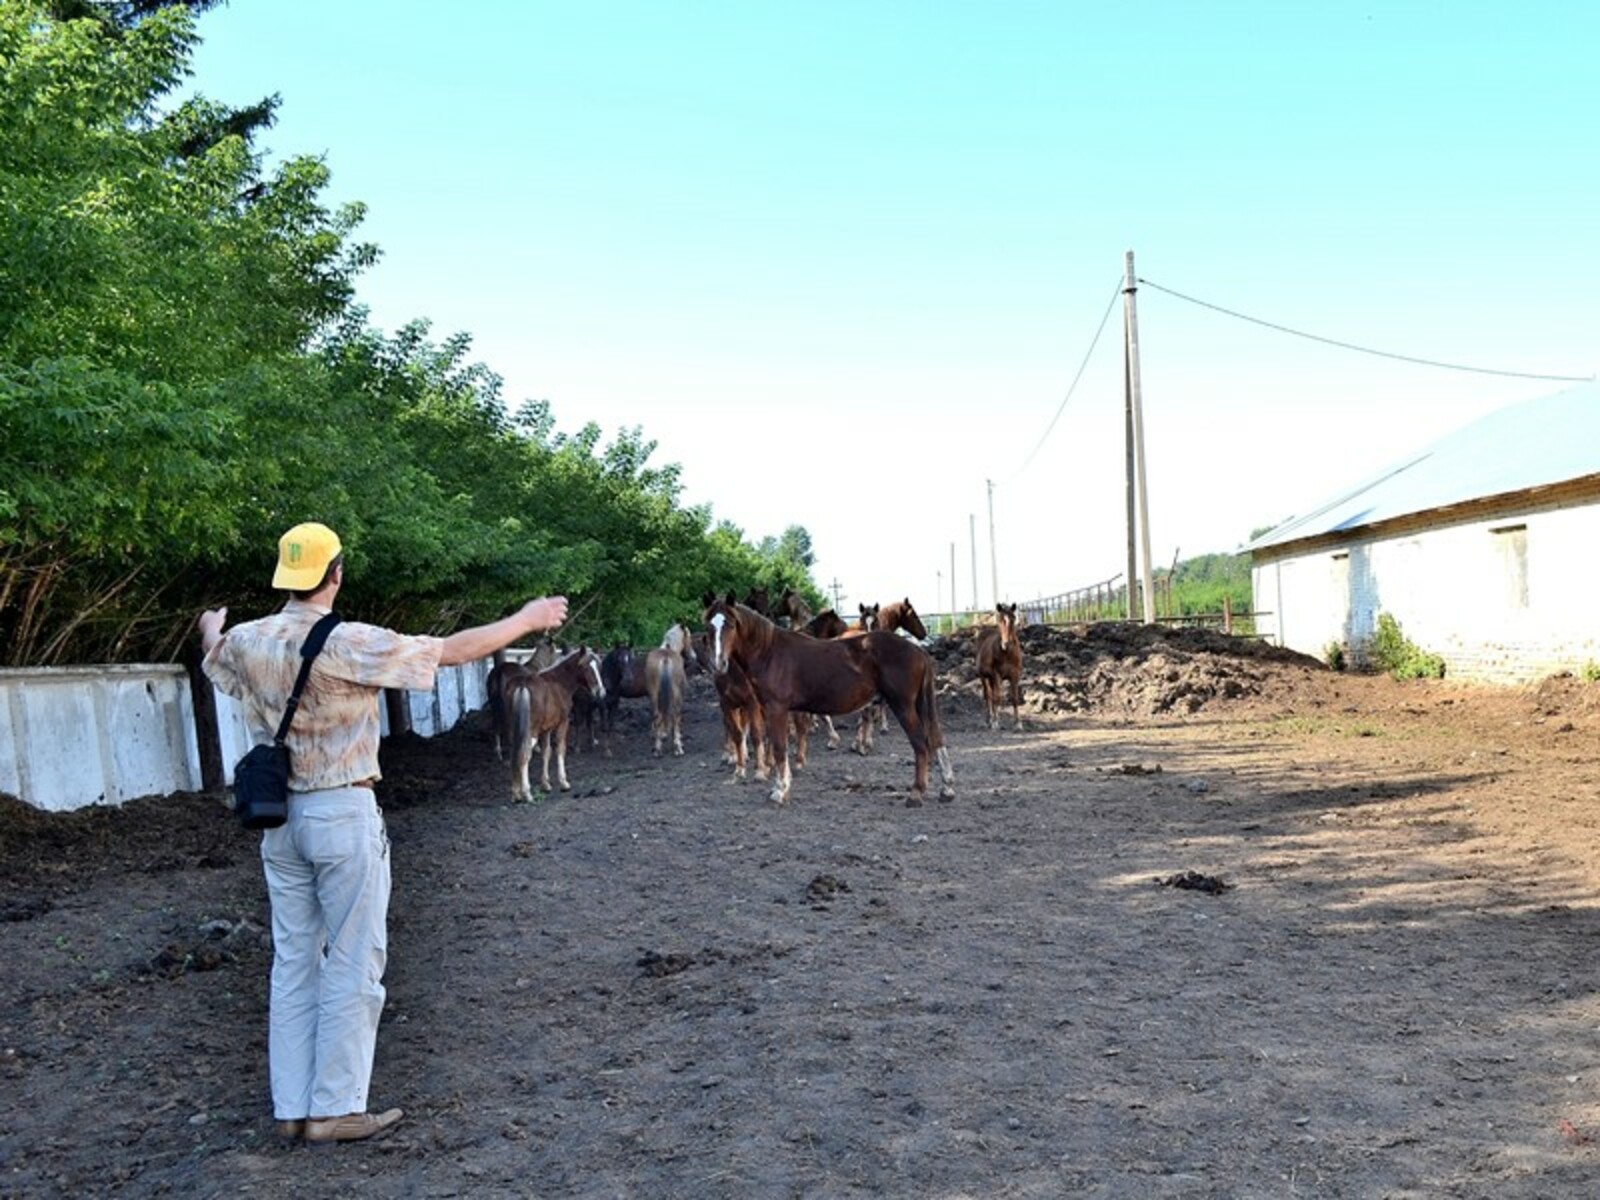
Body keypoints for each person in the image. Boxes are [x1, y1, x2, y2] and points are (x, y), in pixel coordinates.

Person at [198, 522, 567, 1144]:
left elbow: (215, 651)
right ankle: (336, 1107)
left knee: (293, 960)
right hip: (341, 813)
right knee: (354, 958)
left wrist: (212, 624)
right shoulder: (350, 642)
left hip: (277, 820)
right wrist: (525, 619)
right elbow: (450, 650)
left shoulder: (246, 641)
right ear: (336, 574)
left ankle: (291, 1107)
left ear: (285, 576)